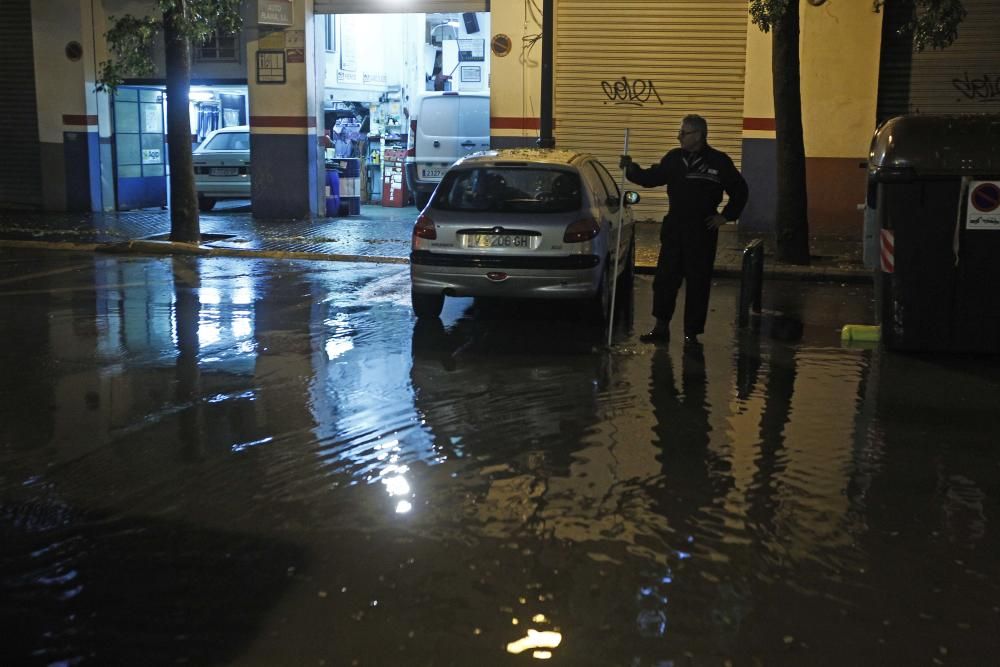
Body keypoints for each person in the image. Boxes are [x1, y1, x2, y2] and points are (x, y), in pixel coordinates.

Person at [621, 114, 749, 344]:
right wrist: (631, 169)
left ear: (698, 135)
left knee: (698, 282)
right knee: (665, 280)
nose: (679, 136)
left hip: (701, 231)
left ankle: (692, 333)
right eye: (680, 132)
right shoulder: (674, 158)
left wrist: (725, 216)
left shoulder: (718, 162)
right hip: (675, 228)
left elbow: (740, 190)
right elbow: (652, 178)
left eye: (684, 132)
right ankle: (661, 327)